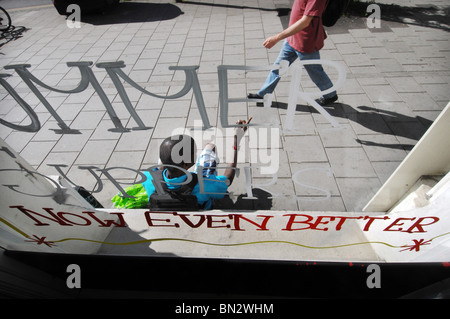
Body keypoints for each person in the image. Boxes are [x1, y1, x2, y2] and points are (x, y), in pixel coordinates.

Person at [111, 118, 252, 210]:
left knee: (164, 160)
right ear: (187, 164)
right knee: (210, 147)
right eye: (193, 154)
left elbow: (160, 167)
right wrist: (236, 142)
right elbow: (228, 178)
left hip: (168, 204)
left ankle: (170, 158)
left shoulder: (148, 177)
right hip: (200, 209)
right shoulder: (206, 184)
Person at [247, 0, 338, 106]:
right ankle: (263, 95)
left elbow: (306, 21)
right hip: (293, 37)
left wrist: (276, 38)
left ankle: (330, 95)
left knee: (315, 71)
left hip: (305, 42)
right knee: (278, 67)